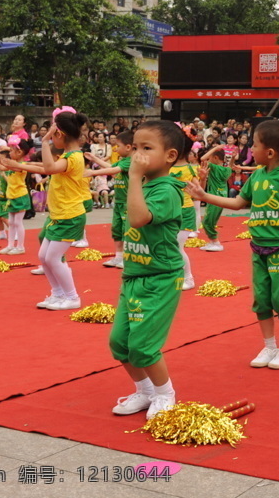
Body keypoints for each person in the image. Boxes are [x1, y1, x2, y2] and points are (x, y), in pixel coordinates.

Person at [187, 119, 279, 370]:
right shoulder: (257, 177)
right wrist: (203, 195)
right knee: (262, 300)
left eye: (254, 145)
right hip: (258, 247)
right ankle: (269, 346)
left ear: (270, 152)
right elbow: (239, 203)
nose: (251, 150)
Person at [109, 120, 188, 419]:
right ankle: (145, 391)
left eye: (146, 148)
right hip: (134, 276)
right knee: (119, 343)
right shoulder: (143, 184)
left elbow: (139, 219)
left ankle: (166, 393)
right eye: (135, 148)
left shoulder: (166, 189)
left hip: (160, 278)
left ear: (169, 156)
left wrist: (133, 177)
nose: (137, 155)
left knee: (143, 346)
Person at [1, 109, 90, 309]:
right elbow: (45, 168)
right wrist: (19, 165)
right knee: (44, 257)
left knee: (52, 257)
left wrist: (45, 142)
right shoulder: (69, 155)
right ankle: (58, 294)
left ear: (60, 135)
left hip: (70, 215)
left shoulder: (75, 157)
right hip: (59, 214)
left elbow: (48, 169)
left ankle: (72, 297)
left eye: (53, 134)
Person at [85, 130, 132, 268]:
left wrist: (93, 172)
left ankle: (127, 257)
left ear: (128, 147)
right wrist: (95, 159)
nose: (116, 149)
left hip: (128, 203)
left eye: (118, 146)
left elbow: (113, 170)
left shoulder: (131, 160)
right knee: (117, 230)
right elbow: (112, 167)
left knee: (126, 230)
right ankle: (118, 256)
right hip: (119, 201)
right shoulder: (123, 160)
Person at [166, 144, 200, 289]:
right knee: (169, 246)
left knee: (177, 246)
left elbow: (198, 191)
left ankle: (189, 278)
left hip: (185, 211)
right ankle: (174, 275)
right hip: (170, 211)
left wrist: (201, 181)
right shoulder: (166, 167)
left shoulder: (190, 169)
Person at [196, 144, 230, 252]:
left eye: (211, 157)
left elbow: (202, 158)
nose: (208, 160)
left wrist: (215, 148)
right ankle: (212, 242)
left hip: (214, 198)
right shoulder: (227, 170)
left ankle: (216, 242)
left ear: (215, 158)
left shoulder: (214, 167)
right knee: (211, 220)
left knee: (207, 221)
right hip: (222, 197)